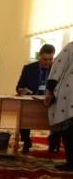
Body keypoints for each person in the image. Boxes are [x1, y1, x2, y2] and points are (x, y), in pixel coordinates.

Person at [16, 43, 56, 154]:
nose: (48, 62)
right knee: (24, 116)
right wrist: (21, 90)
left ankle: (53, 141)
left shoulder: (56, 69)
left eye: (50, 59)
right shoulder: (29, 69)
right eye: (45, 59)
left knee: (59, 119)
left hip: (51, 102)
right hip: (32, 101)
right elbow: (19, 86)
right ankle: (26, 141)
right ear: (39, 56)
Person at [44, 42, 73, 171]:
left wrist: (49, 90)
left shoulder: (71, 47)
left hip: (69, 93)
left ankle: (71, 162)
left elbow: (57, 67)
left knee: (68, 129)